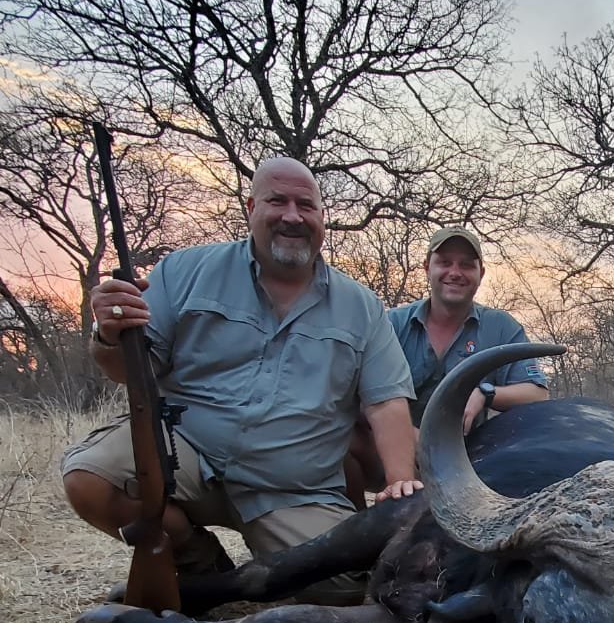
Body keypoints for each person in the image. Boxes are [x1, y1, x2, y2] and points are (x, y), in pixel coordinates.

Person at [62, 157, 419, 600]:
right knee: (90, 480)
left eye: (305, 205)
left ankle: (230, 580)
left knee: (343, 588)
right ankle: (198, 564)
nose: (292, 216)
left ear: (322, 217)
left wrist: (399, 482)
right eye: (277, 201)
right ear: (251, 207)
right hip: (185, 453)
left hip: (291, 486)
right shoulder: (184, 271)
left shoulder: (362, 306)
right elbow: (131, 370)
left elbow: (386, 402)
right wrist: (110, 335)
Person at [345, 225, 549, 503]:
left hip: (465, 464)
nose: (455, 272)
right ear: (427, 267)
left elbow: (537, 393)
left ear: (481, 274)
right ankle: (352, 530)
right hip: (391, 454)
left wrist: (486, 393)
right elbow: (353, 398)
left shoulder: (502, 328)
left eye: (466, 265)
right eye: (444, 262)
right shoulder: (391, 323)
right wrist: (412, 439)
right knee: (340, 438)